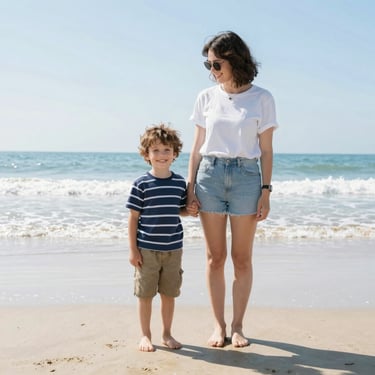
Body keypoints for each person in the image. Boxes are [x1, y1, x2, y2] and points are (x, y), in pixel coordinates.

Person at [187, 31, 278, 348]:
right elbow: (197, 148)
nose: (211, 70)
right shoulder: (205, 97)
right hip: (209, 177)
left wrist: (266, 191)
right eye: (208, 64)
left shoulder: (262, 98)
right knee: (215, 258)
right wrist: (190, 187)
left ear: (234, 60)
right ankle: (218, 325)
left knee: (241, 259)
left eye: (216, 63)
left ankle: (238, 326)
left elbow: (266, 150)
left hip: (246, 179)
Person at [127, 123, 197, 352]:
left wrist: (191, 210)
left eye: (166, 150)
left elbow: (180, 210)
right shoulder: (141, 184)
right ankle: (145, 335)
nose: (161, 155)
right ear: (146, 154)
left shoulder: (179, 183)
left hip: (173, 249)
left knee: (169, 294)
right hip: (146, 249)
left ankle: (167, 334)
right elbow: (133, 218)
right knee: (145, 294)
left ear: (175, 154)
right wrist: (133, 250)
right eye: (155, 150)